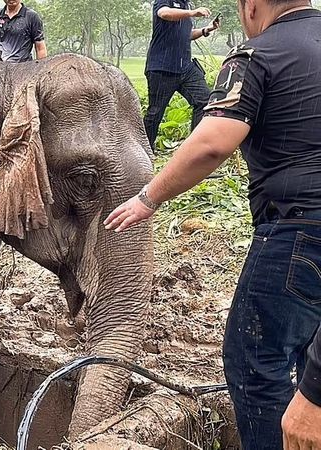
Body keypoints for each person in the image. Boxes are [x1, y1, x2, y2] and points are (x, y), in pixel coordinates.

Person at [104, 0, 321, 448]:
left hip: (299, 231)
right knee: (304, 352)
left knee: (255, 360)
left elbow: (212, 143)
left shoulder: (255, 55)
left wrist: (148, 197)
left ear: (252, 5)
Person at [144, 0, 220, 151]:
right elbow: (164, 13)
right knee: (155, 112)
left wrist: (207, 29)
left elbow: (187, 35)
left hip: (186, 67)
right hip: (162, 68)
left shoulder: (186, 5)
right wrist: (193, 13)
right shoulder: (166, 2)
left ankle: (194, 150)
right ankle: (144, 152)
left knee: (204, 101)